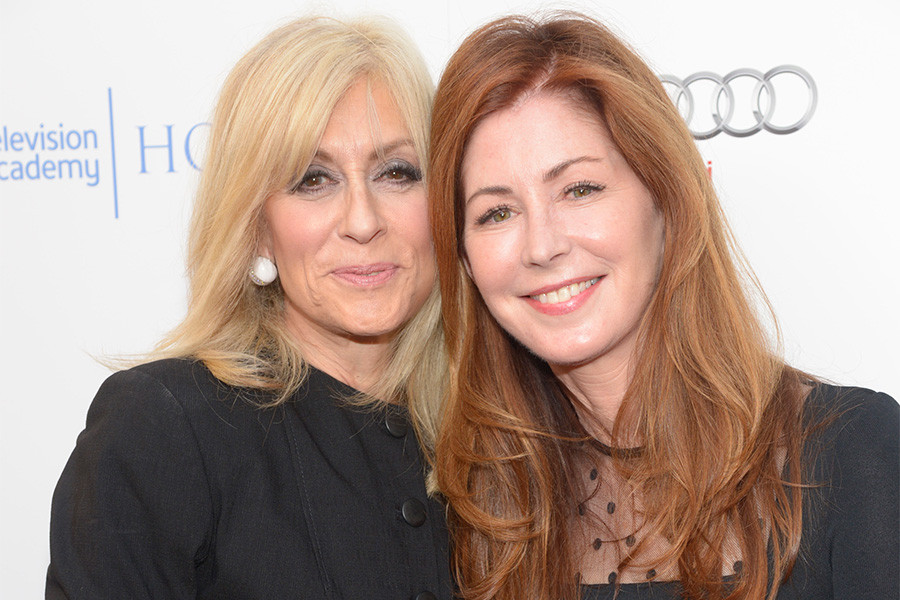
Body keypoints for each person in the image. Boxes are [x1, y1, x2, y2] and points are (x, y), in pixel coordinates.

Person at [428, 12, 898, 600]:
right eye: (496, 212)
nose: (542, 245)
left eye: (579, 189)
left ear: (668, 197)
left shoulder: (855, 457)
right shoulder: (468, 512)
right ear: (465, 260)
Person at [47, 16, 451, 600]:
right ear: (257, 229)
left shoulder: (496, 433)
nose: (363, 221)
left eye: (397, 172)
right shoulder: (162, 429)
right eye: (313, 179)